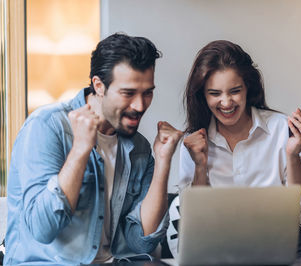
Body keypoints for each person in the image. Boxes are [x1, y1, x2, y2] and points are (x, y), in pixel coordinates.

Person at [5, 33, 183, 264]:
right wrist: (80, 151)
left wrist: (162, 161)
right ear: (99, 86)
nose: (140, 105)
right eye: (128, 93)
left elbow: (141, 242)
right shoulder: (47, 126)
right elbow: (42, 229)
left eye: (147, 92)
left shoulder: (138, 148)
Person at [179, 40, 301, 257]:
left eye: (235, 91)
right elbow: (196, 218)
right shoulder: (194, 142)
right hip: (219, 242)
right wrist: (200, 166)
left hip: (284, 238)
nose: (226, 102)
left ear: (248, 88)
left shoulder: (281, 128)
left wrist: (292, 155)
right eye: (215, 93)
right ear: (202, 95)